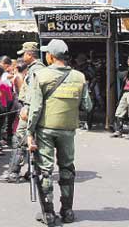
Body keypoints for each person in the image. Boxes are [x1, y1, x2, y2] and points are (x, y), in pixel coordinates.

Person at [26, 39, 92, 225]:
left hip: (46, 129)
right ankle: (68, 211)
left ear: (51, 56)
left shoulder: (41, 75)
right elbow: (87, 106)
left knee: (45, 171)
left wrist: (29, 132)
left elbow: (36, 108)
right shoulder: (79, 77)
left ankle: (48, 213)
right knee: (67, 168)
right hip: (68, 130)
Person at [0, 42, 45, 183]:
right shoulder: (37, 68)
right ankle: (34, 172)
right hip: (33, 109)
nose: (23, 57)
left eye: (24, 54)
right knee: (31, 140)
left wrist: (27, 107)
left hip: (30, 109)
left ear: (30, 54)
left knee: (19, 139)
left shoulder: (35, 70)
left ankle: (13, 172)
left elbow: (34, 91)